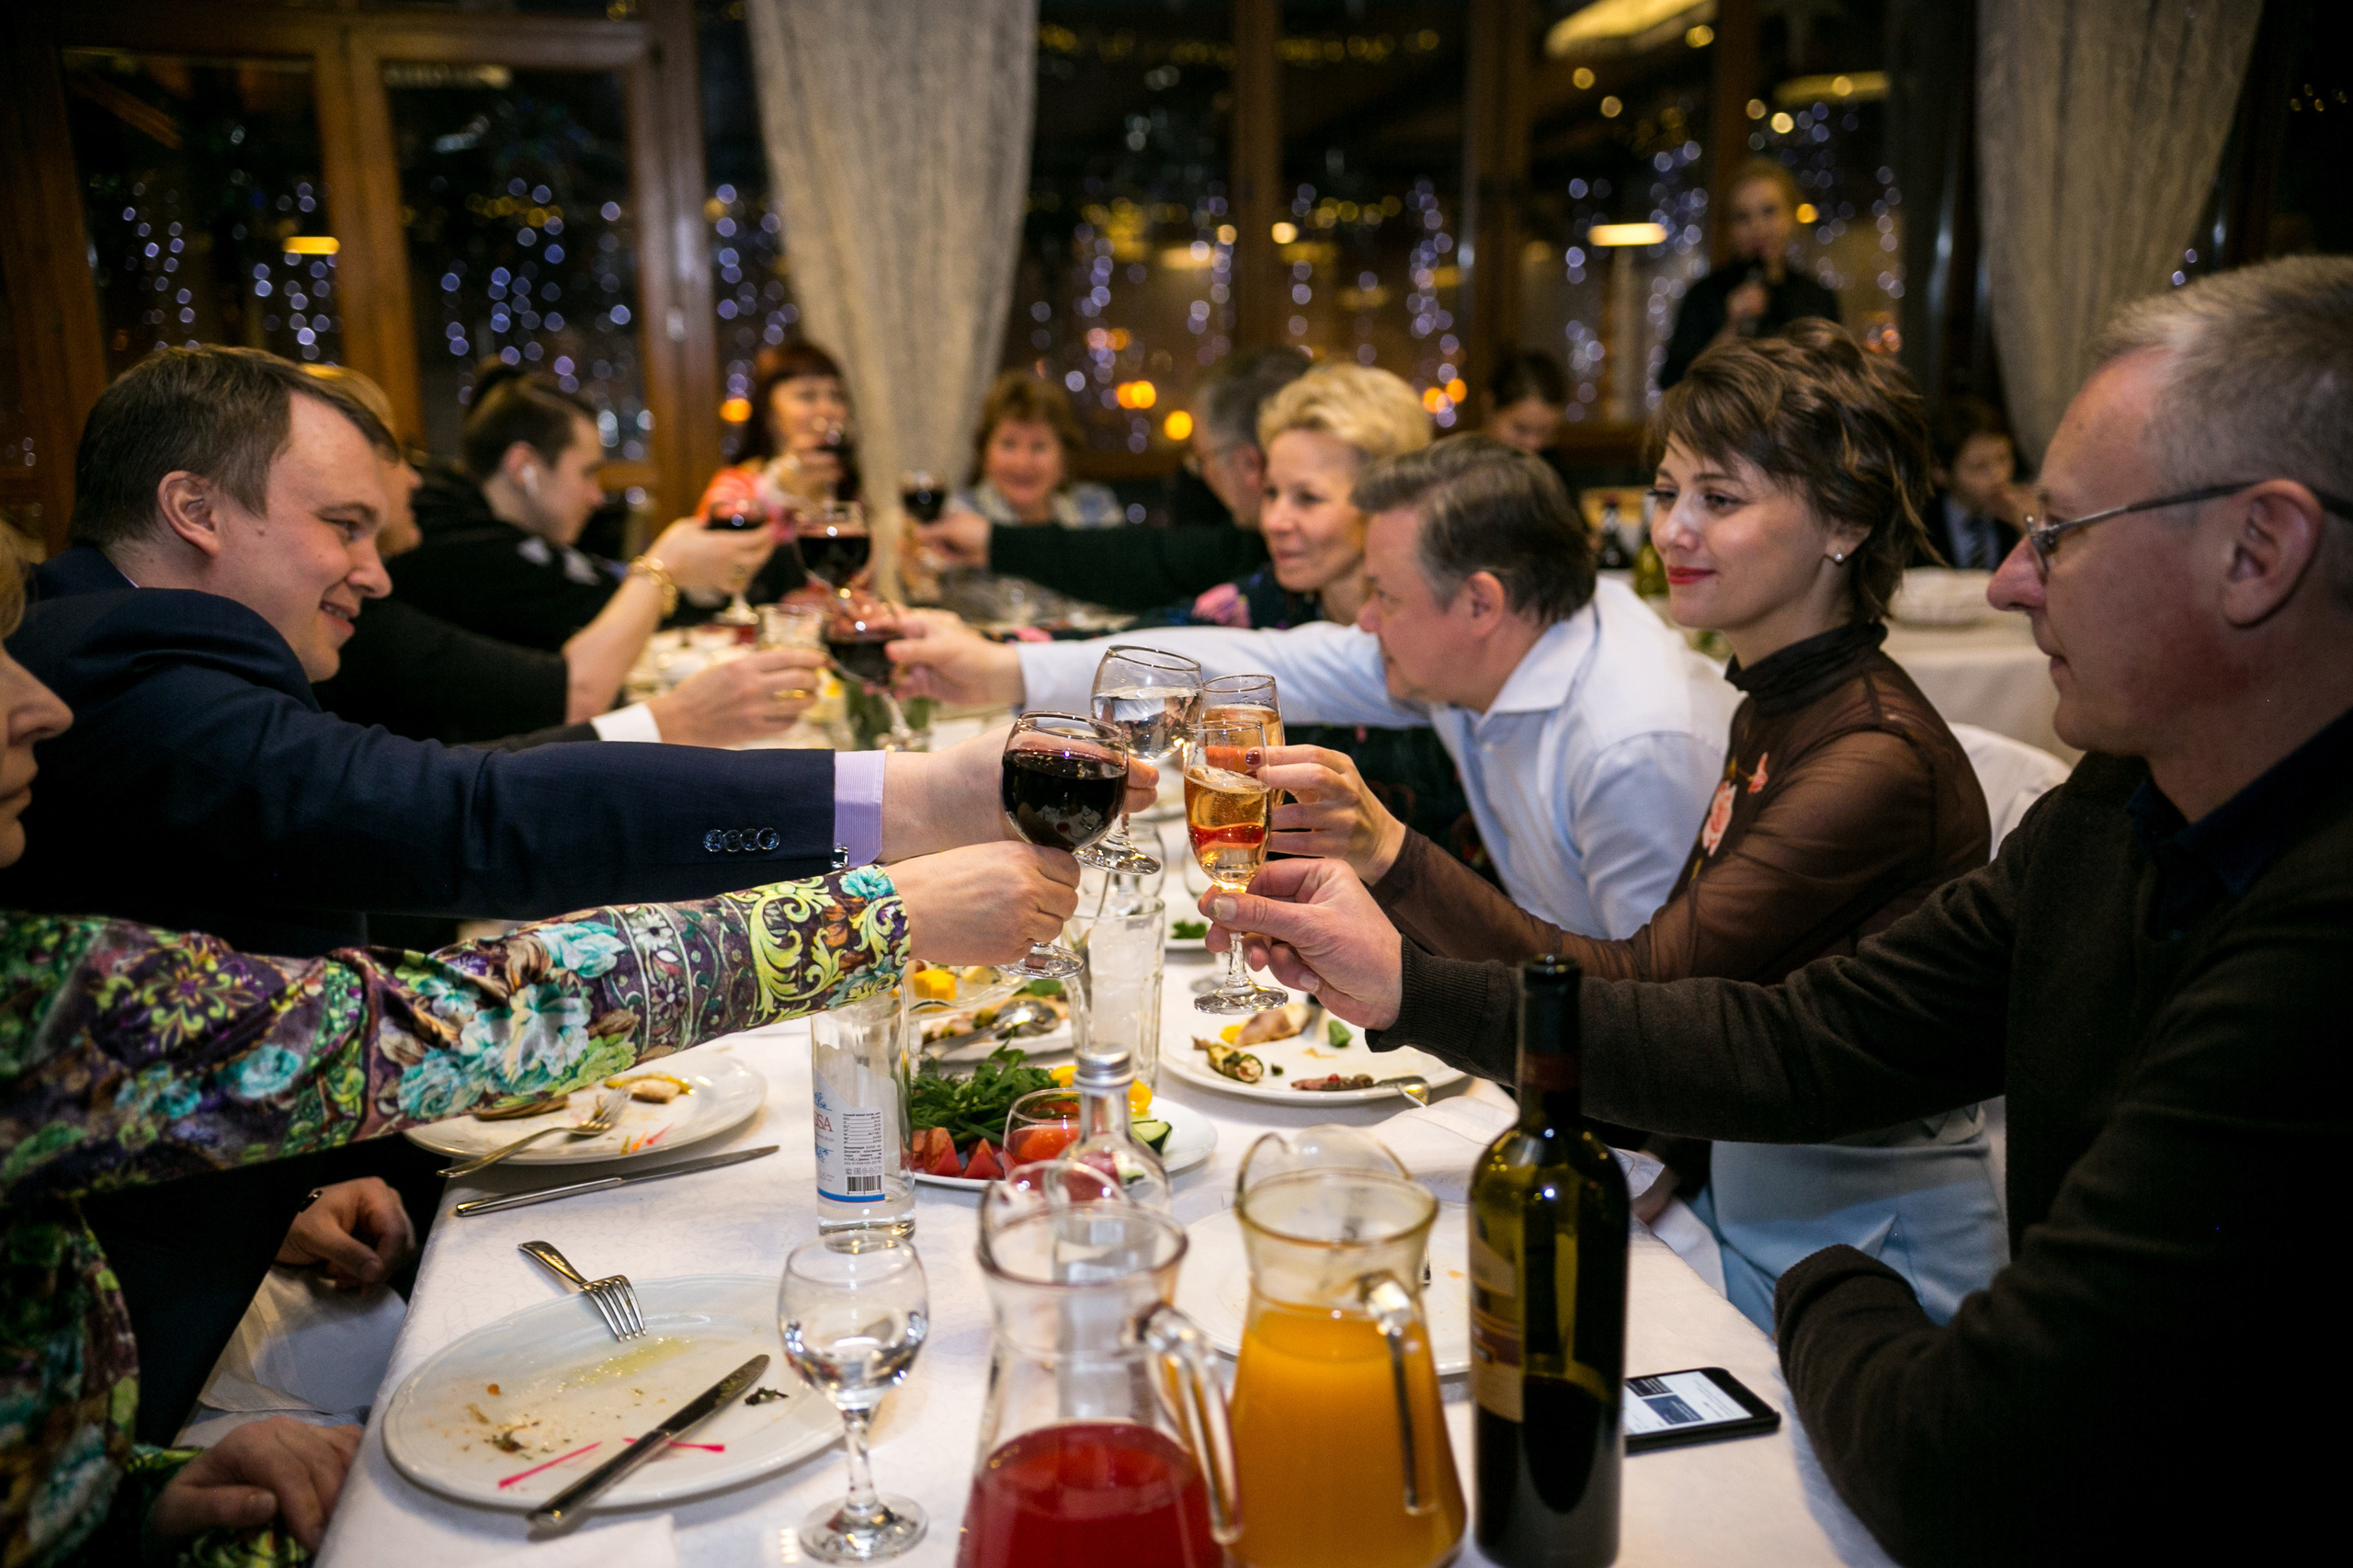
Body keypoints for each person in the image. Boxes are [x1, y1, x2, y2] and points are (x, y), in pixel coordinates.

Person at [1198, 256, 2353, 1562]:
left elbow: (1980, 1457)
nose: (2010, 580)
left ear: (2258, 552)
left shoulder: (2303, 942)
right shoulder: (2112, 805)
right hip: (1805, 1250)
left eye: (2062, 531)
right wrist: (1409, 983)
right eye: (1670, 492)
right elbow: (1794, 1035)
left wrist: (1816, 1280)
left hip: (1869, 1287)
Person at [0, 345, 1131, 1448]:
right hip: (142, 1360)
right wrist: (894, 854)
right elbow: (460, 865)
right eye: (343, 524)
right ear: (194, 508)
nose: (379, 573)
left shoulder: (113, 644)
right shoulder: (132, 679)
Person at [1253, 332, 2006, 1328]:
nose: (1672, 531)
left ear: (1846, 521)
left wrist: (1394, 869)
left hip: (1871, 1272)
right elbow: (1696, 996)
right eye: (1665, 492)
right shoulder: (1780, 702)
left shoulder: (1873, 756)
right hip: (1756, 1208)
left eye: (1719, 499)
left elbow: (1650, 993)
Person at [889, 443, 1737, 947]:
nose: (1365, 621)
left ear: (1481, 603)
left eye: (1386, 597)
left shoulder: (1634, 746)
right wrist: (1006, 672)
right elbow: (1256, 657)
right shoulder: (1497, 645)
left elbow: (1661, 1019)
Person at [305, 365, 820, 749]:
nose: (414, 478)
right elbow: (574, 693)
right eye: (393, 458)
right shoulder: (446, 542)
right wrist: (663, 569)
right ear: (524, 467)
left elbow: (590, 601)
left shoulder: (467, 528)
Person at [390, 362, 778, 654]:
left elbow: (597, 591)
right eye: (588, 473)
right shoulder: (456, 547)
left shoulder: (483, 526)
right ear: (524, 467)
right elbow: (590, 607)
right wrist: (667, 567)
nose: (596, 496)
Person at [913, 348, 1307, 612]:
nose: (1202, 475)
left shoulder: (1283, 561)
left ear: (1249, 464)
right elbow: (1144, 563)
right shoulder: (1248, 547)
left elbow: (1140, 566)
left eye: (1203, 458)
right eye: (1008, 444)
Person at [1659, 159, 1841, 391]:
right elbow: (1675, 386)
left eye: (1769, 212)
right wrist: (1731, 328)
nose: (1758, 228)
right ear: (1729, 230)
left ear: (1791, 216)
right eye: (1743, 217)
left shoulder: (1816, 296)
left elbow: (1838, 378)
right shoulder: (1705, 296)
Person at [1915, 394, 2030, 571]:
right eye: (1979, 466)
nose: (1998, 475)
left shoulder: (2019, 514)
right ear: (1940, 473)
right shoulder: (1918, 525)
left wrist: (2029, 529)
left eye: (2003, 458)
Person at [1482, 348, 1569, 456]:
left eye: (1544, 432)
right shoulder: (1463, 462)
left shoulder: (1552, 462)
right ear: (1489, 406)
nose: (1533, 444)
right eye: (1521, 428)